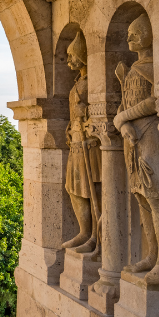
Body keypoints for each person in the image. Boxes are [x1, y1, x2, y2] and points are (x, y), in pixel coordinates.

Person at [114, 14, 159, 286]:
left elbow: (157, 100)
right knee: (141, 198)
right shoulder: (131, 70)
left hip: (152, 137)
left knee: (157, 197)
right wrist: (123, 124)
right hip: (132, 141)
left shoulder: (153, 66)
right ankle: (152, 255)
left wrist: (124, 117)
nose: (130, 38)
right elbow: (123, 106)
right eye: (129, 33)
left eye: (137, 32)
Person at [62, 31, 101, 255]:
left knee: (92, 189)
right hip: (76, 141)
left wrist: (85, 111)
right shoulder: (79, 81)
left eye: (71, 56)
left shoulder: (94, 81)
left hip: (91, 144)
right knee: (74, 188)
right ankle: (84, 231)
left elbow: (104, 109)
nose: (68, 61)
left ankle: (95, 236)